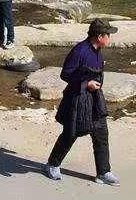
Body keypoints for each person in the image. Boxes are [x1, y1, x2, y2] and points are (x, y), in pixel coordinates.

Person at [44, 18, 120, 186]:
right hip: (77, 99)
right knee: (71, 134)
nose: (110, 38)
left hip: (95, 99)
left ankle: (103, 172)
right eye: (108, 35)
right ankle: (52, 165)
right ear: (100, 36)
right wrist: (87, 84)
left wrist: (95, 86)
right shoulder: (79, 51)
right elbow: (65, 74)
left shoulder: (98, 50)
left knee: (101, 133)